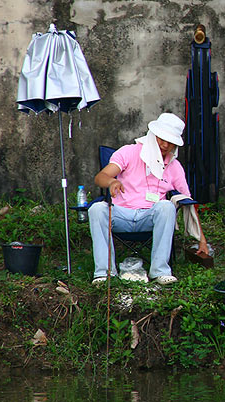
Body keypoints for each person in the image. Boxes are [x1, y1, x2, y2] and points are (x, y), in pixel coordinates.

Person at [88, 113, 205, 286]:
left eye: (170, 141)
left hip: (149, 216)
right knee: (96, 209)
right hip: (121, 214)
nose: (165, 145)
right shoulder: (129, 152)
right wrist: (112, 181)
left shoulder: (174, 166)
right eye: (161, 139)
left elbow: (188, 201)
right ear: (153, 135)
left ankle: (160, 271)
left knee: (166, 206)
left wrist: (202, 239)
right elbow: (101, 177)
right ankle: (105, 273)